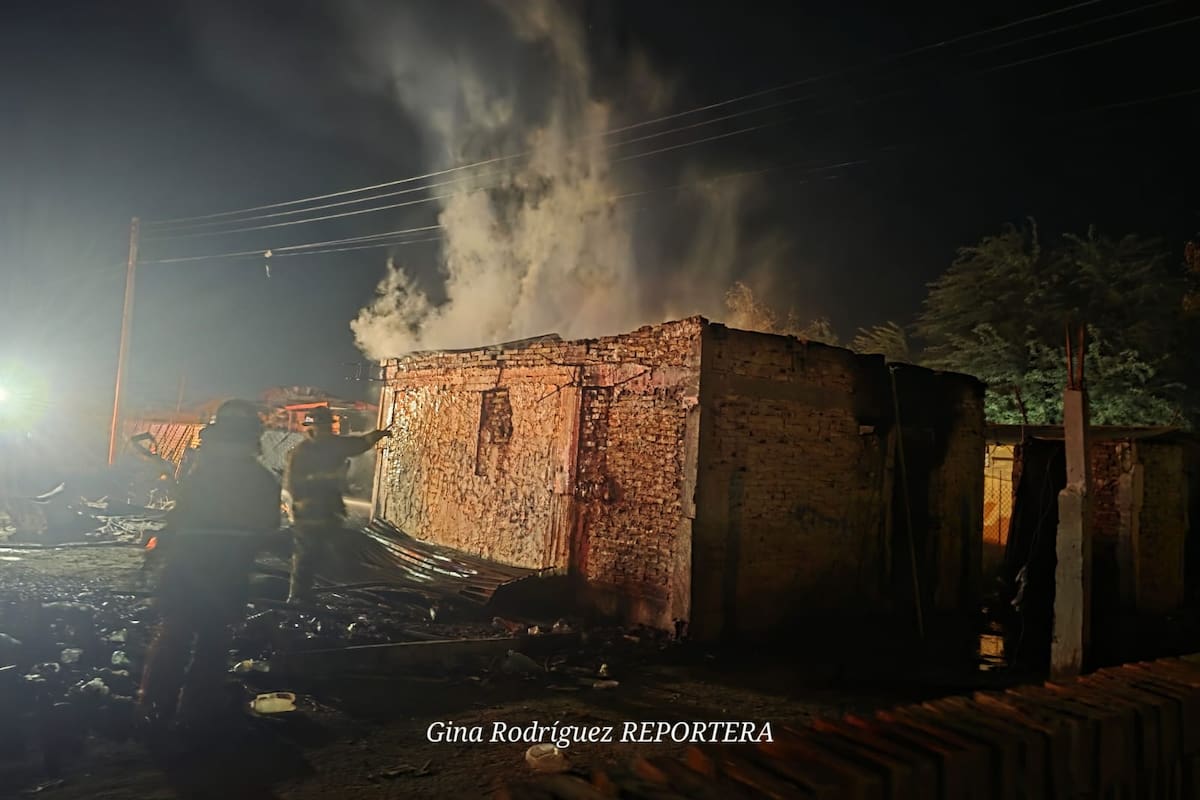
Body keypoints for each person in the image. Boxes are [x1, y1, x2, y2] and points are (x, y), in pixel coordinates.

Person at [136, 399, 281, 732]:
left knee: (174, 635)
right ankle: (196, 715)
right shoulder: (262, 480)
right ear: (253, 440)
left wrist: (159, 550)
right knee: (212, 643)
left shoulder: (200, 475)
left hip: (186, 570)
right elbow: (268, 528)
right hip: (227, 574)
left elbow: (179, 518)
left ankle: (154, 709)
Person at [283, 405, 389, 604]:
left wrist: (375, 436)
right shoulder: (301, 453)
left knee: (332, 551)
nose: (326, 431)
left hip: (329, 510)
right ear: (312, 428)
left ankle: (326, 590)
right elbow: (292, 485)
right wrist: (299, 510)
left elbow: (357, 445)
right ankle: (298, 596)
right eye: (322, 427)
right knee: (306, 554)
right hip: (309, 514)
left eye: (327, 427)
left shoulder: (333, 445)